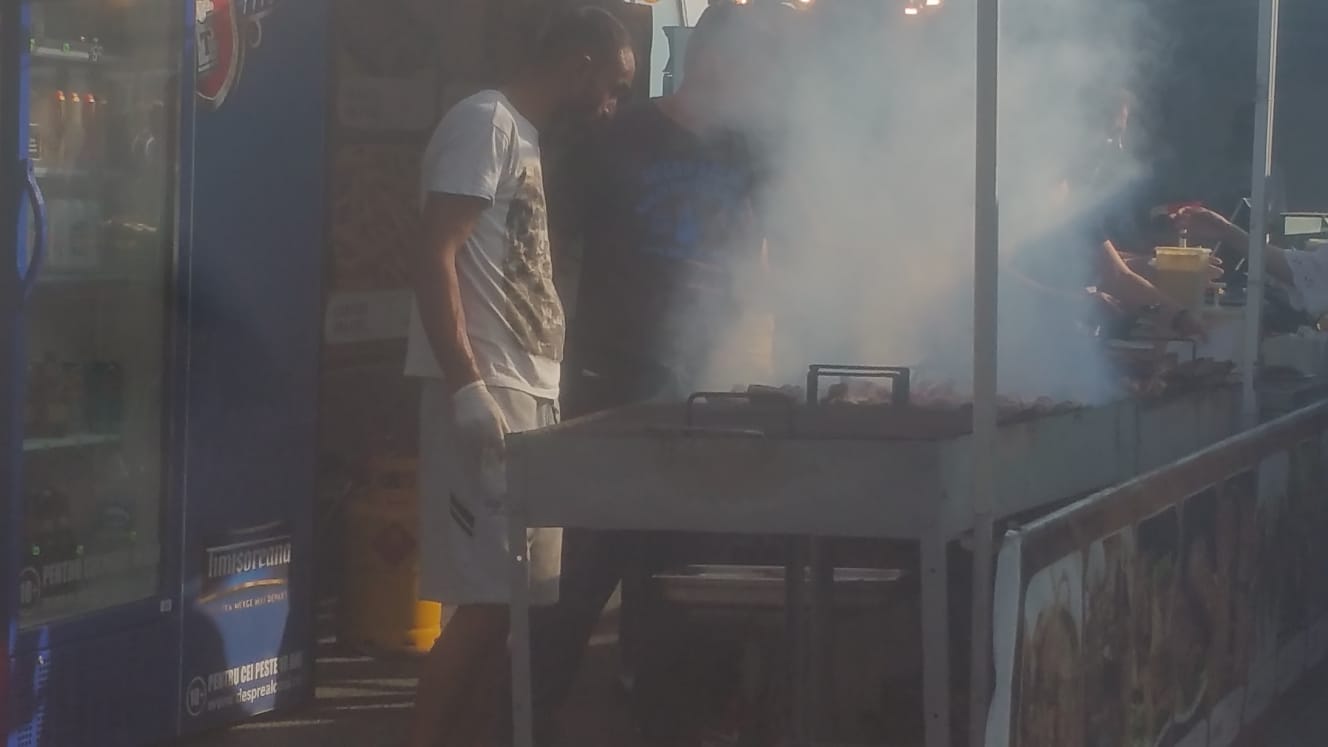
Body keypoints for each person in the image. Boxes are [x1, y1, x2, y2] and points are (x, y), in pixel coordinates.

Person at [524, 2, 795, 742]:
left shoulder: (747, 150)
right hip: (608, 378)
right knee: (584, 563)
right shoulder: (617, 135)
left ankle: (660, 716)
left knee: (679, 568)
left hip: (703, 384)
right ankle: (526, 716)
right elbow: (548, 249)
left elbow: (771, 253)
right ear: (714, 57)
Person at [403, 8, 635, 747]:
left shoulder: (526, 138)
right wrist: (467, 387)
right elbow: (434, 252)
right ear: (581, 62)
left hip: (530, 394)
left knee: (511, 608)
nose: (613, 104)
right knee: (483, 604)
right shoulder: (485, 123)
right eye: (614, 85)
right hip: (489, 390)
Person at [1010, 86, 1209, 339]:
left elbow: (1116, 275)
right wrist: (1074, 301)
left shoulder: (1076, 201)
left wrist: (1181, 317)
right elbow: (985, 272)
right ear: (1079, 128)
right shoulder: (1024, 190)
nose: (1119, 146)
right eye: (1113, 133)